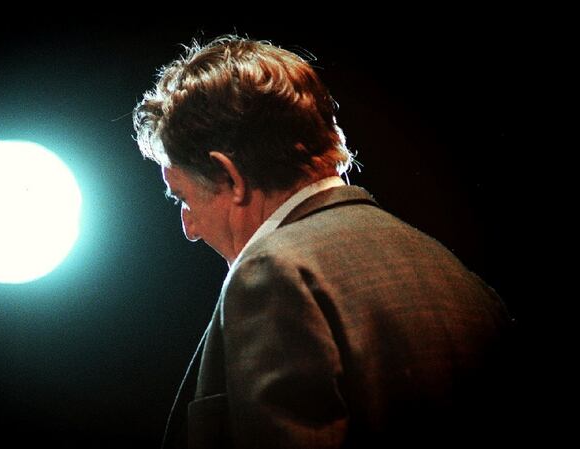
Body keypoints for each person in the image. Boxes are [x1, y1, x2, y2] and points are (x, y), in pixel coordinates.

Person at [133, 35, 515, 449]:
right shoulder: (465, 283)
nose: (188, 227)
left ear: (230, 177)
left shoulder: (273, 275)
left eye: (183, 198)